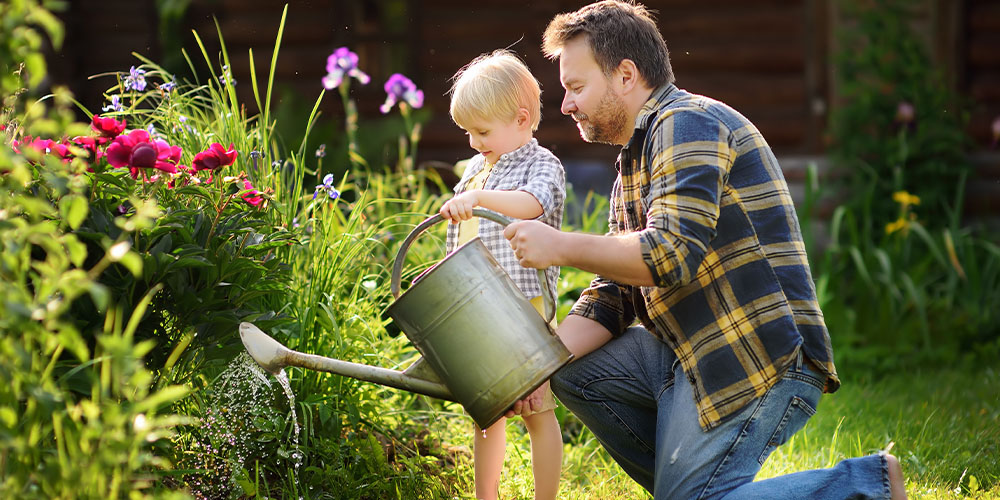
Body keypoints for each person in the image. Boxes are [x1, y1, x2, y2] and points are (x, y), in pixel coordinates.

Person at [500, 2, 909, 499]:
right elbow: (615, 294)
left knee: (692, 497)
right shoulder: (634, 163)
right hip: (684, 353)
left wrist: (560, 246)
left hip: (754, 354)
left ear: (626, 75)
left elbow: (670, 254)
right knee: (572, 370)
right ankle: (699, 488)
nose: (565, 104)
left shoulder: (688, 123)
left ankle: (866, 485)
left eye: (576, 87)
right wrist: (533, 371)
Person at [439, 49, 567, 500]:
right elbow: (461, 237)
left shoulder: (543, 165)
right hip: (479, 310)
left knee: (536, 410)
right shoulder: (477, 169)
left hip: (524, 311)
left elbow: (531, 204)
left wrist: (480, 200)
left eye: (482, 131)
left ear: (522, 117)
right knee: (486, 412)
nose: (474, 142)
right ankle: (485, 496)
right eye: (469, 132)